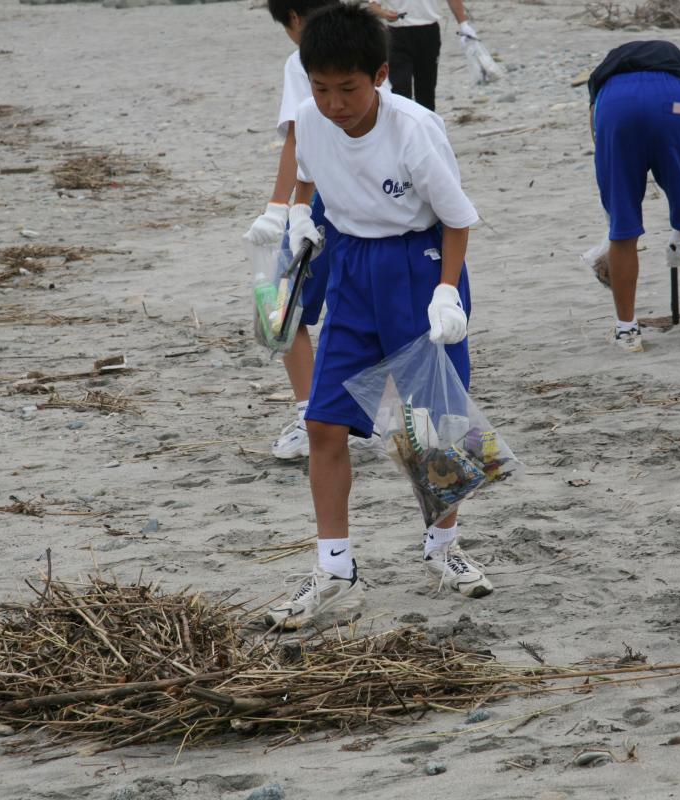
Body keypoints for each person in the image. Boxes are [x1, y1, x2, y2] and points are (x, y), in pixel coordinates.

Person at [265, 3, 491, 629]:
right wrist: (299, 217)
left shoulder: (414, 130)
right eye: (321, 88)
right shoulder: (310, 121)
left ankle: (444, 548)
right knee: (323, 423)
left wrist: (446, 292)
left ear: (381, 75)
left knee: (434, 423)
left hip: (418, 265)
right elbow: (306, 177)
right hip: (351, 265)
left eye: (349, 88)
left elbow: (458, 218)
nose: (335, 103)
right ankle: (334, 567)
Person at [245, 0, 374, 461]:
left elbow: (299, 137)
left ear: (295, 19)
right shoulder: (364, 47)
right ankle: (360, 416)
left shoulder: (304, 59)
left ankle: (309, 413)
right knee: (357, 307)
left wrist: (280, 208)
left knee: (281, 307)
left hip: (322, 200)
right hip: (372, 195)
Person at [587, 40, 680, 353]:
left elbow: (596, 131)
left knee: (622, 226)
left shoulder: (603, 78)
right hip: (676, 103)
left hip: (616, 105)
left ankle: (627, 332)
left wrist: (614, 202)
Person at [368, 0, 476, 111]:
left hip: (428, 31)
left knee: (426, 89)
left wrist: (463, 24)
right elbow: (373, 5)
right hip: (397, 33)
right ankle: (402, 125)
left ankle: (426, 125)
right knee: (400, 87)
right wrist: (385, 14)